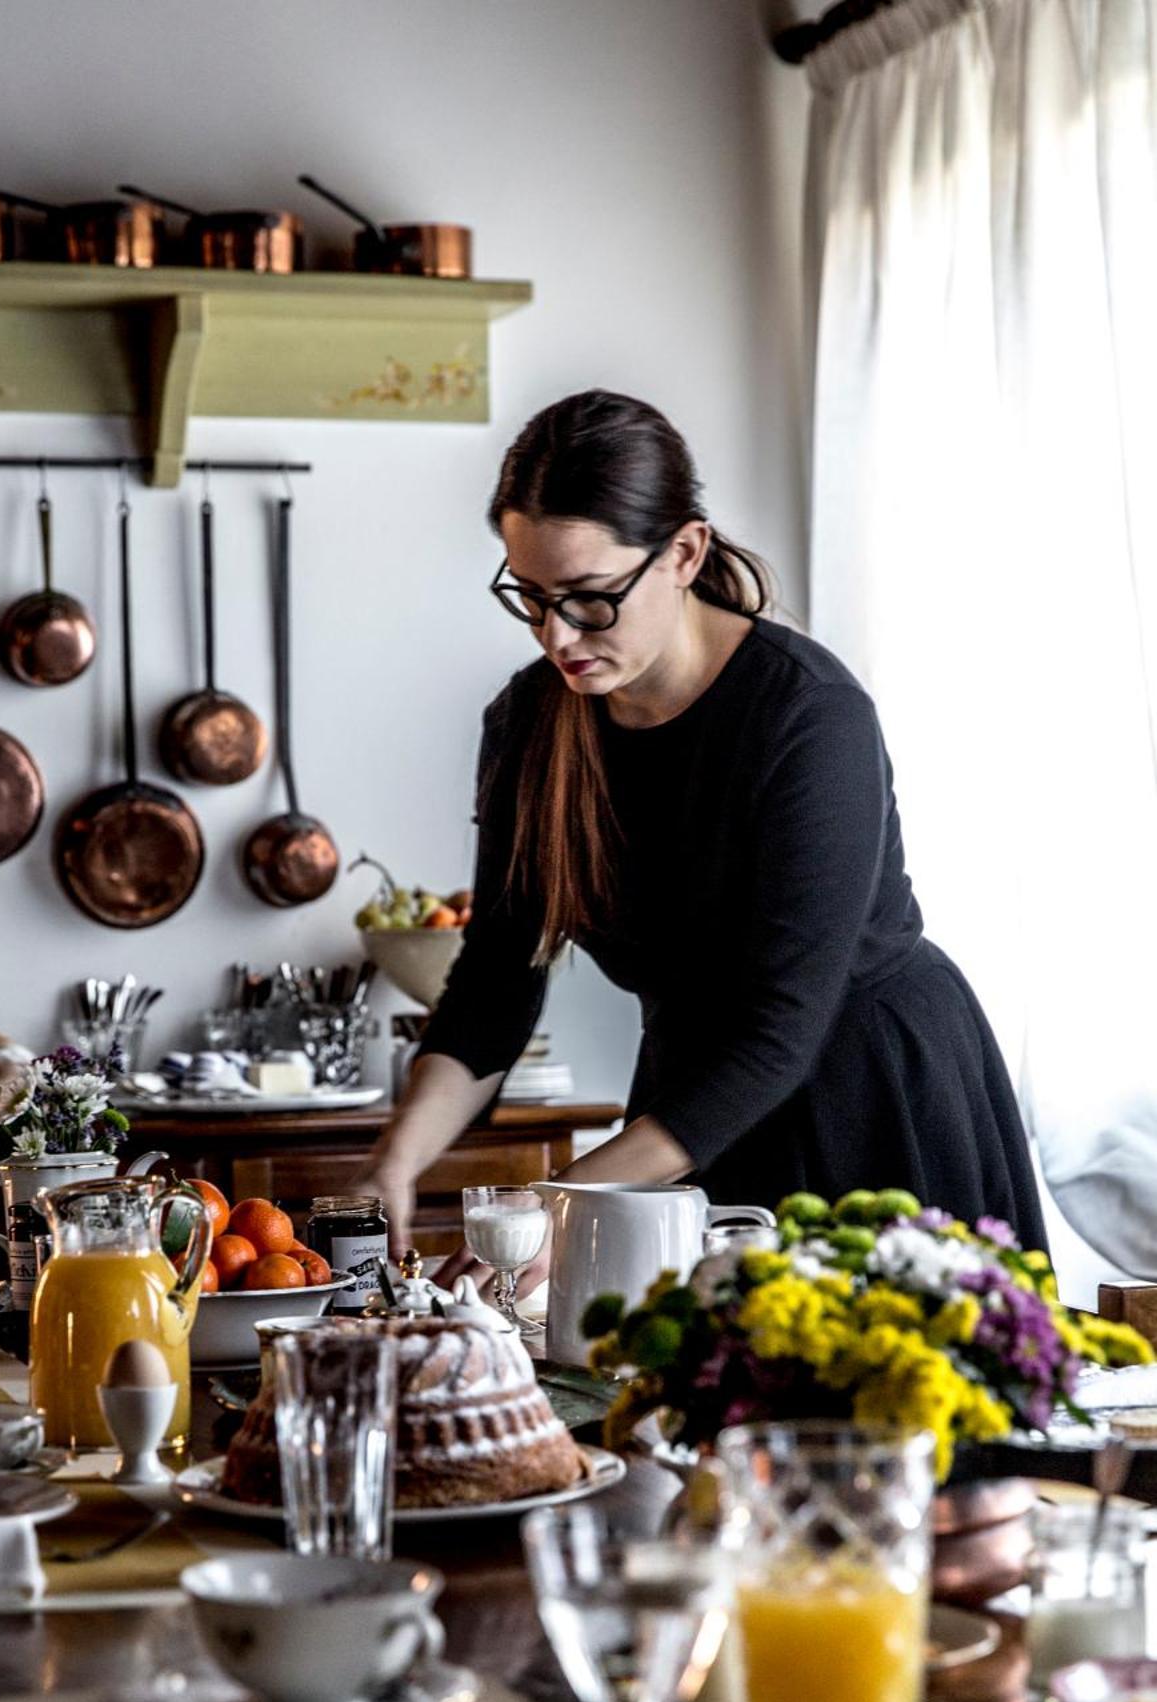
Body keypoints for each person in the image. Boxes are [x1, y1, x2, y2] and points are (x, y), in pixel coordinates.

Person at [356, 389, 1047, 1289]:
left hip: (870, 1102)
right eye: (528, 596)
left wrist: (562, 1200)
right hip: (687, 1109)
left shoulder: (807, 716)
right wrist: (395, 1163)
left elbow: (777, 1032)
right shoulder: (529, 724)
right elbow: (494, 980)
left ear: (682, 552)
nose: (555, 636)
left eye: (591, 599)